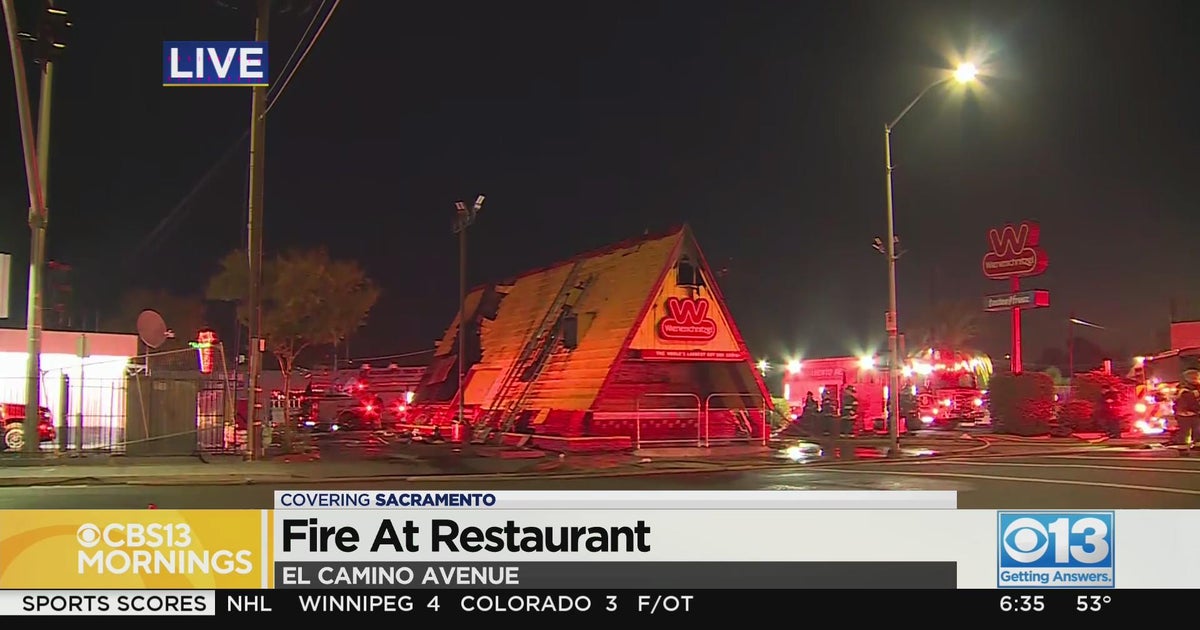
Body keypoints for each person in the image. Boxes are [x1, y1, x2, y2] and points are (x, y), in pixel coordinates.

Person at [1173, 370, 1200, 448]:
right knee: (1187, 433)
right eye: (1197, 378)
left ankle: (1192, 446)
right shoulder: (1186, 391)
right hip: (1187, 414)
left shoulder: (1189, 389)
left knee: (1193, 432)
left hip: (1188, 414)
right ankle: (1184, 448)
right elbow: (1191, 403)